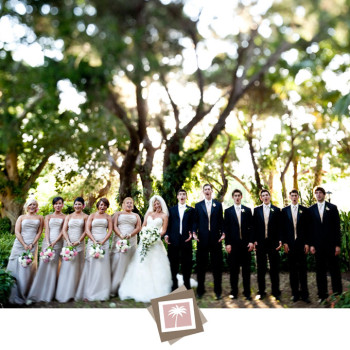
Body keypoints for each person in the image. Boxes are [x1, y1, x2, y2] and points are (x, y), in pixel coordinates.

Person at [118, 195, 172, 303]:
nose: (157, 205)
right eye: (155, 204)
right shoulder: (149, 214)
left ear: (161, 204)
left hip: (155, 241)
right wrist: (145, 234)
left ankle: (157, 288)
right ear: (153, 205)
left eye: (158, 203)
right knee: (142, 263)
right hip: (145, 241)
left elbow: (164, 230)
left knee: (156, 264)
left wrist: (154, 236)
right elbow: (143, 226)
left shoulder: (164, 216)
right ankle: (139, 287)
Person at [27, 196, 65, 303]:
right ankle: (39, 291)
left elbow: (62, 231)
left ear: (62, 205)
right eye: (56, 203)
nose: (58, 205)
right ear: (53, 205)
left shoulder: (65, 217)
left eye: (60, 203)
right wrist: (48, 242)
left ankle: (50, 293)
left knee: (54, 266)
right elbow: (46, 230)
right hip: (47, 243)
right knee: (44, 265)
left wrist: (55, 242)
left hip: (58, 243)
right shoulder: (48, 216)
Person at [7, 199, 44, 304]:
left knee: (28, 268)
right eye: (30, 204)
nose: (32, 206)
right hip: (19, 244)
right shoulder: (21, 217)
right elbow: (17, 232)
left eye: (34, 205)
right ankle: (14, 293)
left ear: (36, 206)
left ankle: (26, 292)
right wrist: (24, 244)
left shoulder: (40, 218)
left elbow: (40, 231)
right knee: (16, 266)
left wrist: (32, 244)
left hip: (32, 245)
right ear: (27, 206)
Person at [75, 198, 113, 301]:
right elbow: (87, 229)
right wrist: (94, 240)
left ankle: (102, 293)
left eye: (104, 205)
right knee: (91, 266)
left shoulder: (108, 217)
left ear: (106, 207)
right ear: (98, 205)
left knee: (102, 267)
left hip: (104, 242)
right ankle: (88, 293)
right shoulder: (92, 216)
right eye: (101, 205)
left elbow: (110, 230)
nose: (102, 207)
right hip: (93, 242)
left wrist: (103, 241)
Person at [309, 186, 342, 303]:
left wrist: (337, 245)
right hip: (318, 246)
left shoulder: (332, 208)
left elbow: (337, 228)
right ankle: (322, 295)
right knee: (320, 271)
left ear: (324, 194)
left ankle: (338, 294)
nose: (318, 194)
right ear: (315, 195)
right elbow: (310, 229)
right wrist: (311, 245)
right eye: (316, 193)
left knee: (335, 270)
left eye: (320, 192)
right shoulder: (311, 209)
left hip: (331, 245)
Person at [193, 184, 224, 300]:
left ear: (212, 191)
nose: (207, 191)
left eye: (209, 189)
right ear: (203, 191)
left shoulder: (218, 205)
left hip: (216, 239)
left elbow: (221, 221)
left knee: (217, 266)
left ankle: (218, 291)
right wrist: (194, 232)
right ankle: (200, 290)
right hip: (202, 240)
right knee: (201, 266)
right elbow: (195, 222)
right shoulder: (198, 206)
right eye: (205, 189)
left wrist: (223, 233)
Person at [55, 197, 88, 303]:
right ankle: (65, 292)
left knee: (78, 267)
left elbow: (86, 231)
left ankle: (77, 292)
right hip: (68, 244)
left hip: (79, 244)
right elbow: (64, 230)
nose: (77, 206)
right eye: (76, 204)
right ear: (73, 205)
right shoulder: (68, 216)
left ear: (83, 206)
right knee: (67, 267)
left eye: (79, 204)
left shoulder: (86, 217)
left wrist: (78, 241)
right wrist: (68, 242)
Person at [224, 189, 254, 300]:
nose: (237, 197)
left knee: (246, 271)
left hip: (245, 245)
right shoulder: (228, 211)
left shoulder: (247, 210)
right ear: (233, 197)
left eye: (239, 195)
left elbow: (252, 228)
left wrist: (251, 241)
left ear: (241, 197)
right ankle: (234, 292)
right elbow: (226, 229)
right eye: (235, 195)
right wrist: (227, 244)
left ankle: (247, 292)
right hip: (233, 246)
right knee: (234, 271)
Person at [282, 189, 310, 303]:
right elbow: (282, 229)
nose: (294, 197)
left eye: (295, 195)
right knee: (292, 271)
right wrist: (285, 243)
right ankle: (295, 294)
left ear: (298, 197)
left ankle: (305, 295)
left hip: (302, 245)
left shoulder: (304, 210)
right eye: (292, 195)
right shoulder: (284, 211)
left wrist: (307, 243)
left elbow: (308, 228)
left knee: (303, 271)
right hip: (290, 245)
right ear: (289, 197)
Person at [253, 189, 282, 300]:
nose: (265, 197)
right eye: (263, 195)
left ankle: (276, 291)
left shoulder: (276, 210)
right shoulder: (256, 210)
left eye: (267, 195)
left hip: (273, 243)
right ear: (261, 198)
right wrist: (254, 240)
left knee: (274, 268)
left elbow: (280, 227)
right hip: (260, 243)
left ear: (270, 196)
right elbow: (253, 227)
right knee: (261, 268)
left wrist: (280, 240)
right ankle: (261, 291)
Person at [110, 197, 141, 297]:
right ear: (123, 204)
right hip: (119, 239)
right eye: (127, 203)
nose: (129, 204)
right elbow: (114, 226)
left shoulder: (136, 215)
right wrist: (120, 235)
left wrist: (130, 235)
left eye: (131, 203)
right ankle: (115, 286)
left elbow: (138, 227)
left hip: (131, 240)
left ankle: (128, 287)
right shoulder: (117, 214)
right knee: (118, 261)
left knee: (130, 262)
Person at [165, 189, 194, 290]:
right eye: (180, 194)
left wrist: (192, 231)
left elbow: (194, 224)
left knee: (187, 263)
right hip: (174, 240)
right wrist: (167, 235)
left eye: (184, 194)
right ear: (177, 197)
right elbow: (168, 224)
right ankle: (174, 283)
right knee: (173, 263)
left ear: (186, 197)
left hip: (186, 239)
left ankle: (187, 284)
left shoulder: (191, 210)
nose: (182, 196)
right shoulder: (171, 210)